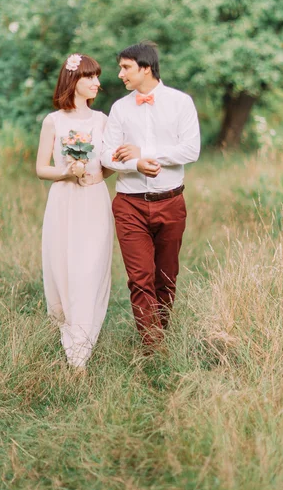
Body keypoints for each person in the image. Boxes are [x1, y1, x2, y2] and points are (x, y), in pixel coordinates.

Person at [101, 41, 200, 349]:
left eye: (126, 67)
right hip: (129, 204)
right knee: (140, 278)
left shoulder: (181, 103)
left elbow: (191, 150)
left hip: (171, 201)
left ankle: (161, 330)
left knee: (166, 276)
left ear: (145, 68)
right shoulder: (119, 108)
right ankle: (153, 346)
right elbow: (106, 155)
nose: (120, 74)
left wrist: (146, 153)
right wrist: (135, 163)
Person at [36, 53, 114, 369]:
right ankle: (70, 337)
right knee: (64, 269)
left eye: (97, 77)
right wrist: (69, 172)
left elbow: (110, 165)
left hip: (94, 200)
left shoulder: (103, 120)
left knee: (90, 269)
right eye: (89, 77)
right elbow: (41, 168)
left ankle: (81, 348)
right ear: (74, 81)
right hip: (63, 201)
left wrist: (93, 175)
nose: (97, 83)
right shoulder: (53, 121)